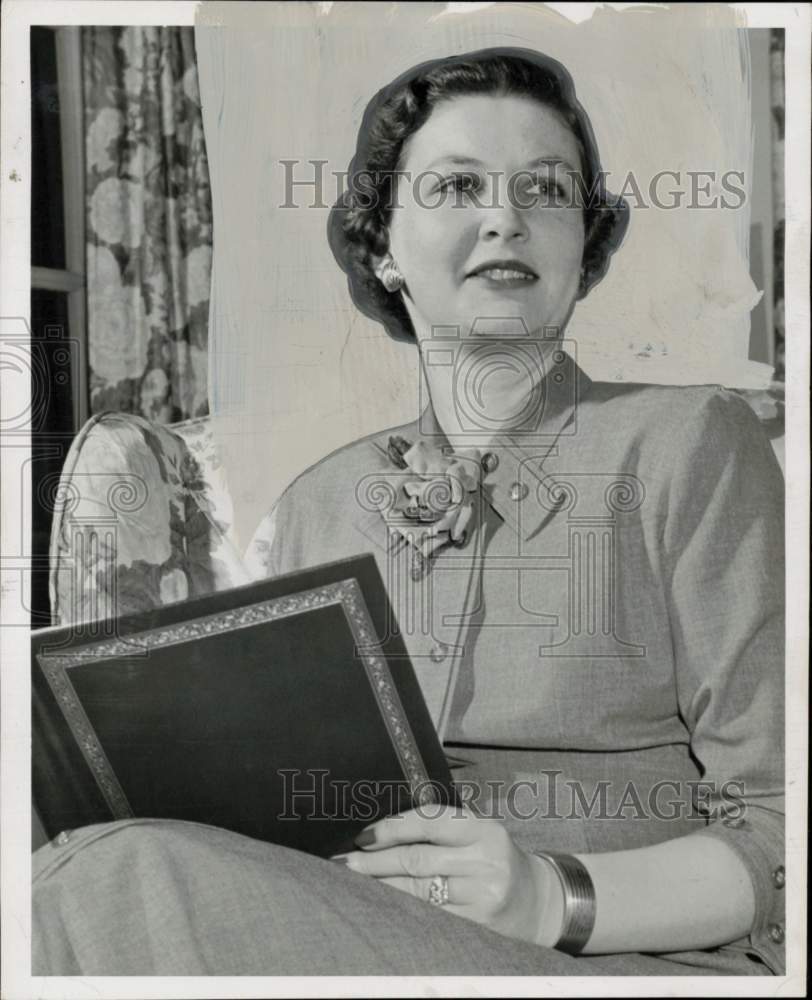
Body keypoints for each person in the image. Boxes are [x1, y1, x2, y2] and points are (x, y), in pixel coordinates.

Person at [32, 48, 785, 977]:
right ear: (383, 247)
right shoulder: (320, 502)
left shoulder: (690, 444)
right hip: (329, 941)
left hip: (619, 965)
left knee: (114, 883)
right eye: (458, 185)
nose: (506, 217)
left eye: (546, 190)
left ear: (583, 245)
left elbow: (784, 821)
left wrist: (555, 895)